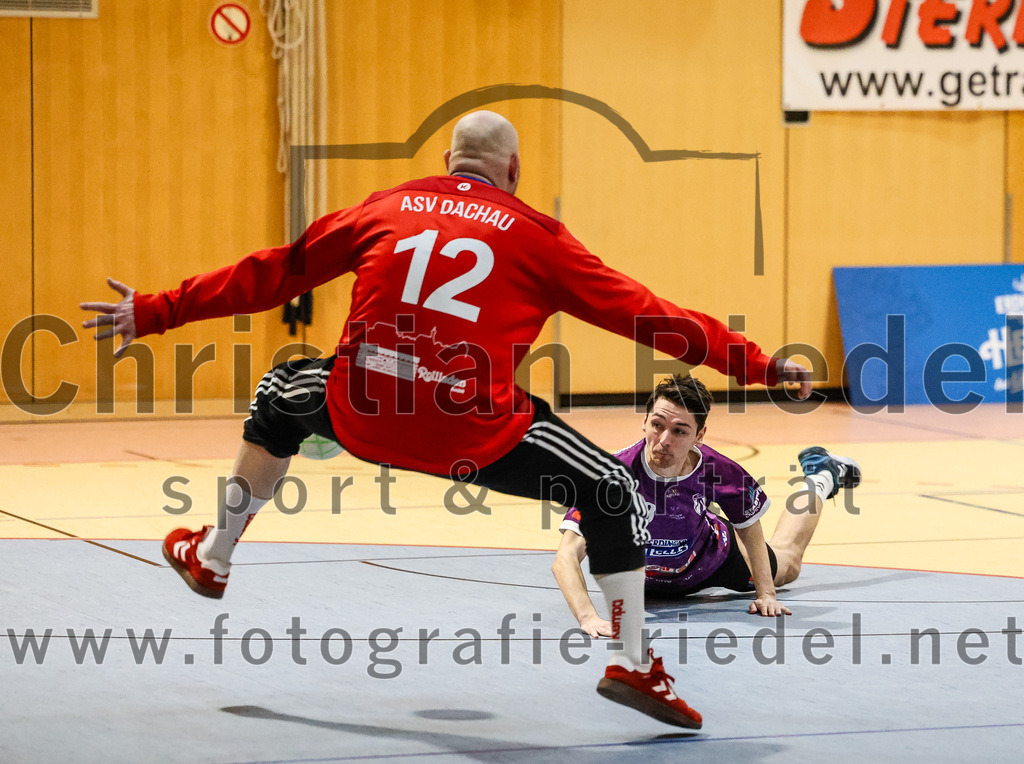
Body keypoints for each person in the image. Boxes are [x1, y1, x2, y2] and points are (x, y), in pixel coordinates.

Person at [81, 110, 813, 730]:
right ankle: (630, 662)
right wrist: (754, 362)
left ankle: (213, 556)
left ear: (447, 162)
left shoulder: (386, 207)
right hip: (474, 434)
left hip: (362, 414)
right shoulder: (536, 236)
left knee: (281, 391)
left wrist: (155, 310)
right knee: (610, 493)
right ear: (514, 171)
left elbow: (274, 270)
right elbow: (649, 317)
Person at [553, 374, 860, 636]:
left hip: (712, 560)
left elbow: (748, 525)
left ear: (699, 435)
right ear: (644, 422)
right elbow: (565, 557)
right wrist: (588, 617)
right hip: (645, 583)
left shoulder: (718, 470)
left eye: (679, 431)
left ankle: (822, 476)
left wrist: (766, 593)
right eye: (657, 425)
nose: (663, 440)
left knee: (789, 563)